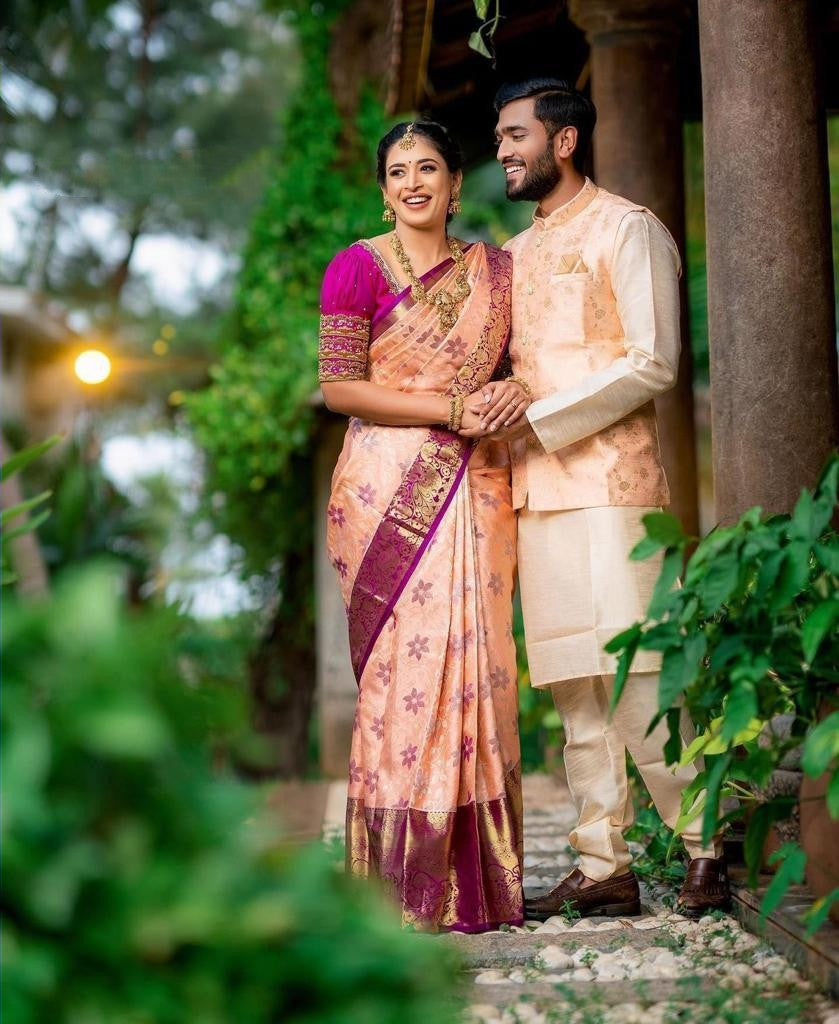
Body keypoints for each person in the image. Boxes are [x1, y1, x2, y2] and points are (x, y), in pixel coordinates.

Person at [472, 78, 729, 918]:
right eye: (500, 138)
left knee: (640, 677)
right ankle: (601, 863)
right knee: (575, 689)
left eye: (515, 136)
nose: (503, 151)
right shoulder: (511, 256)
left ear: (564, 140)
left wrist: (534, 418)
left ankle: (704, 847)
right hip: (536, 493)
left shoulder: (629, 228)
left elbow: (654, 360)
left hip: (614, 488)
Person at [318, 120, 530, 932]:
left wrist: (508, 394)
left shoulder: (497, 275)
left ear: (453, 183)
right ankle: (394, 886)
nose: (413, 182)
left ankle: (474, 880)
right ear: (383, 189)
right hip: (383, 491)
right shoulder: (356, 267)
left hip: (474, 482)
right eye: (398, 171)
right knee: (400, 678)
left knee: (477, 659)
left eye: (429, 168)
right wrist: (449, 408)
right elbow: (340, 387)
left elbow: (519, 368)